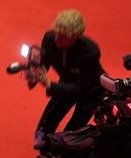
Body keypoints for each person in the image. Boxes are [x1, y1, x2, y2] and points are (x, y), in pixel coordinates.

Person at [33, 10, 105, 143]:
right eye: (56, 33)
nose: (57, 39)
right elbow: (44, 64)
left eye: (63, 36)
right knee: (43, 130)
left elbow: (79, 89)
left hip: (91, 91)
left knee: (70, 136)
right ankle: (46, 154)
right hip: (67, 84)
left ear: (76, 36)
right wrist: (34, 74)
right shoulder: (49, 38)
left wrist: (50, 84)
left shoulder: (91, 51)